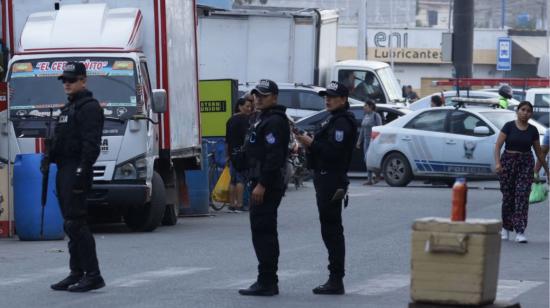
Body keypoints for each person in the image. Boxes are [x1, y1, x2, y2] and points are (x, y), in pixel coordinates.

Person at [45, 62, 105, 292]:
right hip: (64, 168)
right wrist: (48, 157)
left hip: (77, 169)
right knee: (70, 224)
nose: (67, 84)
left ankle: (93, 274)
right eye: (64, 81)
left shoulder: (89, 107)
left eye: (71, 80)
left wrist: (82, 170)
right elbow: (62, 141)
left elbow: (91, 144)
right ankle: (76, 272)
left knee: (77, 223)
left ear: (83, 80)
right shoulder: (68, 109)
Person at [295, 81, 357, 295]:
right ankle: (334, 278)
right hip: (325, 178)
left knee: (332, 230)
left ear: (343, 99)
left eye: (332, 96)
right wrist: (307, 140)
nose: (327, 99)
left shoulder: (342, 122)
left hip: (332, 179)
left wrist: (310, 143)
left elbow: (334, 153)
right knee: (329, 229)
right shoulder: (333, 119)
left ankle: (336, 279)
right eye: (325, 96)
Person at [238, 79, 290, 296]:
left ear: (274, 97)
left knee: (264, 231)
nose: (259, 98)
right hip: (258, 179)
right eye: (257, 95)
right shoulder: (262, 118)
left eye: (264, 95)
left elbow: (274, 156)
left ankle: (267, 281)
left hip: (266, 183)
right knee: (261, 230)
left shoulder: (275, 121)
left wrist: (262, 184)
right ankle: (267, 279)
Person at [494, 101, 549, 243]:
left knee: (522, 197)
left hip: (525, 164)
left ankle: (520, 231)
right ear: (517, 111)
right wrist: (498, 163)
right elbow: (498, 145)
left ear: (531, 114)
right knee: (508, 197)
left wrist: (547, 172)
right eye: (523, 110)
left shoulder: (533, 130)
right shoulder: (509, 126)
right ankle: (506, 228)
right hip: (508, 163)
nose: (525, 113)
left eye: (528, 111)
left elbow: (540, 153)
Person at [226, 96, 253, 212]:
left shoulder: (230, 120)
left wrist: (228, 154)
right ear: (240, 107)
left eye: (250, 107)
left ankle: (232, 204)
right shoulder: (245, 120)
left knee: (232, 180)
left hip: (232, 153)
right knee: (241, 179)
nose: (249, 109)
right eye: (247, 106)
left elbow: (227, 139)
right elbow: (247, 138)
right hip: (242, 153)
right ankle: (240, 204)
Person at [356, 99, 382, 185]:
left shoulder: (376, 115)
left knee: (368, 159)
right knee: (367, 161)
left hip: (373, 141)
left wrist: (377, 141)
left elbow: (380, 129)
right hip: (366, 141)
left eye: (365, 106)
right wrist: (359, 141)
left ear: (370, 107)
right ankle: (369, 179)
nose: (364, 107)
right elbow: (362, 130)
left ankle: (377, 175)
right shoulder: (365, 116)